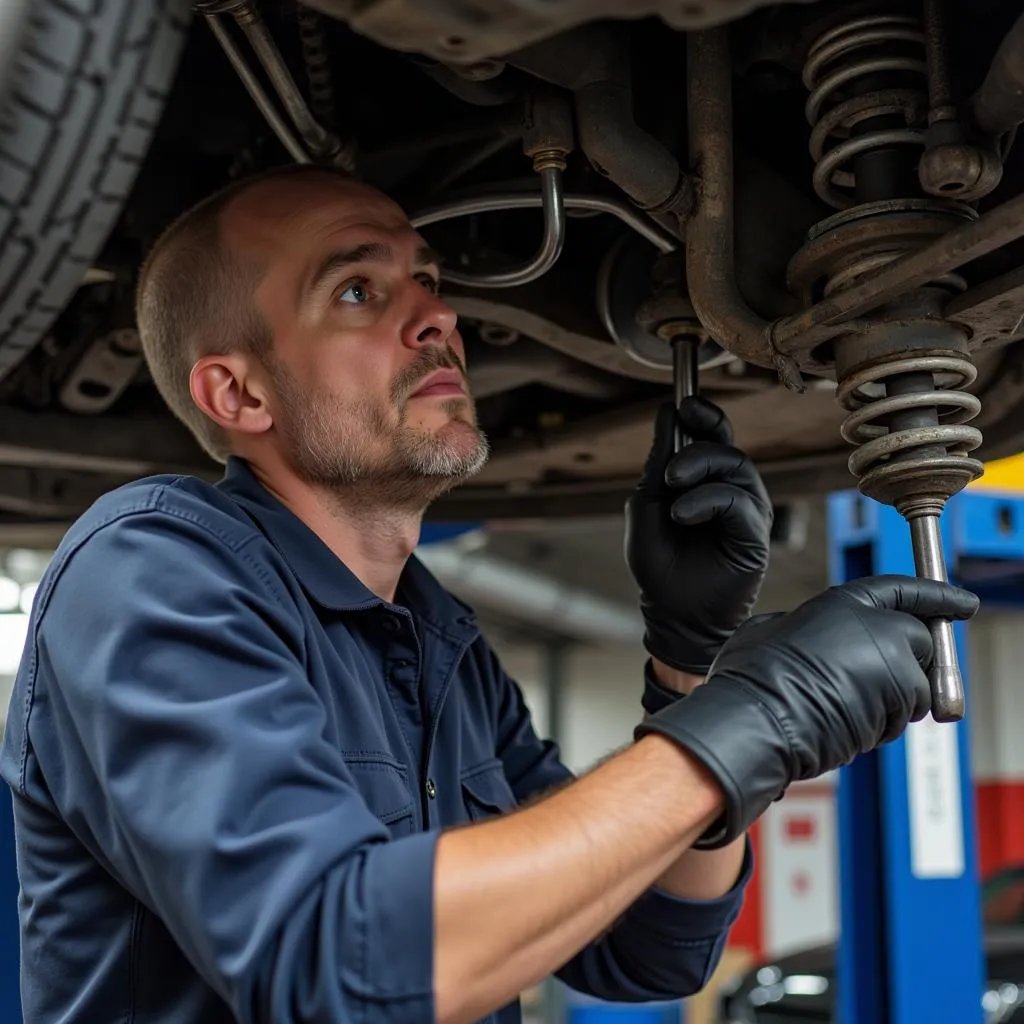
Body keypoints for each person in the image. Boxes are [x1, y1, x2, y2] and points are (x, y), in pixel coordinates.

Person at [0, 164, 978, 1024]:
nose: (437, 315)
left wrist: (689, 667)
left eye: (425, 278)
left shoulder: (437, 642)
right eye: (355, 290)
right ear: (239, 396)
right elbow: (336, 966)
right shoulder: (155, 570)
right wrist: (754, 718)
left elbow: (650, 944)